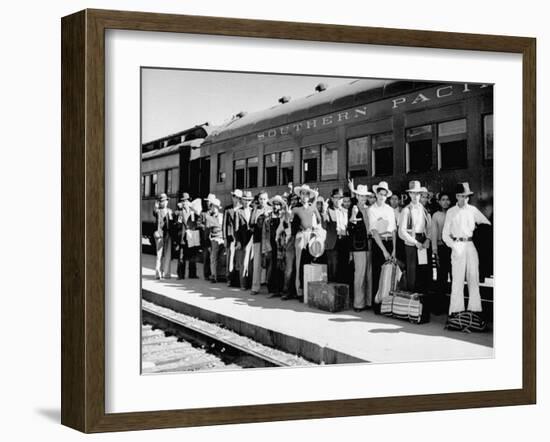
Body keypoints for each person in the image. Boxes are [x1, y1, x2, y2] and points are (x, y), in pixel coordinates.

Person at [442, 182, 491, 316]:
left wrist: (478, 233)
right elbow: (445, 235)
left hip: (470, 246)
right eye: (462, 196)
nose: (465, 199)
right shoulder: (451, 212)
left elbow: (487, 224)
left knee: (473, 278)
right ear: (457, 196)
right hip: (457, 245)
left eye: (467, 196)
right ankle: (456, 312)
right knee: (457, 280)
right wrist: (454, 246)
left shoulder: (473, 210)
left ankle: (475, 311)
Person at [368, 181, 397, 313]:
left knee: (390, 274)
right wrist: (384, 251)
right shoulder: (372, 209)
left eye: (385, 195)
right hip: (379, 244)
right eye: (380, 194)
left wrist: (394, 249)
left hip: (390, 242)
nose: (382, 197)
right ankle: (377, 305)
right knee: (377, 274)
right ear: (376, 194)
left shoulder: (390, 210)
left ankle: (388, 304)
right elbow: (374, 232)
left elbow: (393, 230)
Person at [399, 181, 432, 294]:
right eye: (413, 193)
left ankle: (421, 301)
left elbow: (429, 227)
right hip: (411, 243)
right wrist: (415, 242)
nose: (415, 196)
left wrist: (428, 239)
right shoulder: (406, 210)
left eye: (418, 193)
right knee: (412, 271)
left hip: (422, 241)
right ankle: (411, 300)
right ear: (409, 195)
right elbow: (401, 232)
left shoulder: (424, 209)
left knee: (422, 270)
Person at [291, 184, 322, 300]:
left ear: (309, 196)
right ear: (300, 195)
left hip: (311, 236)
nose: (305, 196)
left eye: (307, 194)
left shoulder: (312, 207)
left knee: (309, 262)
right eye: (303, 193)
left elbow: (319, 220)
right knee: (299, 264)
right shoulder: (295, 209)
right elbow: (291, 223)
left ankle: (308, 290)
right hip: (300, 236)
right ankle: (299, 290)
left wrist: (315, 230)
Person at [348, 184, 373, 311]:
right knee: (360, 274)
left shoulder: (369, 209)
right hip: (358, 245)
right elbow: (349, 229)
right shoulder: (353, 209)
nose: (363, 198)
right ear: (357, 196)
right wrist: (353, 217)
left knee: (369, 274)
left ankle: (368, 301)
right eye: (361, 195)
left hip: (370, 243)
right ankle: (358, 303)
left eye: (365, 196)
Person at [322, 188, 350, 283]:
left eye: (340, 197)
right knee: (333, 270)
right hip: (332, 243)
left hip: (344, 242)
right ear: (332, 198)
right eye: (336, 197)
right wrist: (324, 212)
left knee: (343, 269)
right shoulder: (328, 210)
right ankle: (332, 294)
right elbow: (324, 225)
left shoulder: (345, 211)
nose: (338, 200)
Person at [431, 192, 452, 313]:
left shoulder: (453, 212)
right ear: (439, 202)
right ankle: (440, 306)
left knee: (454, 276)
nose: (445, 202)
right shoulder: (436, 215)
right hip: (441, 248)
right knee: (441, 277)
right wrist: (435, 250)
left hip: (453, 248)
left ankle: (453, 306)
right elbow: (434, 233)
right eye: (443, 199)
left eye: (447, 199)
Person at [262, 195, 285, 297]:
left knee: (280, 267)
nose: (275, 207)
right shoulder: (268, 218)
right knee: (271, 267)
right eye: (274, 205)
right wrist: (265, 248)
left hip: (280, 245)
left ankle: (280, 289)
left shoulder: (283, 217)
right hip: (270, 245)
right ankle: (272, 290)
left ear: (280, 206)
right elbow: (264, 234)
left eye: (278, 205)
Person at [174, 192, 200, 279]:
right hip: (183, 237)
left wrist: (192, 207)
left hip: (191, 236)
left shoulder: (193, 212)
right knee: (181, 256)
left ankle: (192, 274)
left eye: (187, 201)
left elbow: (198, 216)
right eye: (183, 201)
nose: (185, 203)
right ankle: (181, 275)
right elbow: (178, 224)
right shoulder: (179, 212)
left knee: (192, 256)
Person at [250, 191, 271, 295]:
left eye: (264, 199)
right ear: (258, 200)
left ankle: (269, 286)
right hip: (258, 239)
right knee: (257, 263)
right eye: (261, 199)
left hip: (269, 240)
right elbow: (251, 224)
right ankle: (255, 287)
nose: (262, 201)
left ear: (267, 199)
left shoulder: (271, 209)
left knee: (269, 263)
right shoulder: (255, 210)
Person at [234, 190, 254, 290]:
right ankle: (243, 284)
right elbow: (236, 228)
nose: (247, 202)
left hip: (252, 239)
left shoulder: (253, 210)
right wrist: (238, 241)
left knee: (250, 262)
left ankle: (250, 283)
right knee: (243, 262)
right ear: (242, 201)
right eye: (245, 200)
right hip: (242, 239)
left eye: (248, 200)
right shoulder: (238, 212)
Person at [223, 189, 242, 287]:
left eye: (237, 197)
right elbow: (224, 225)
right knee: (230, 259)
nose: (235, 199)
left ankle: (238, 280)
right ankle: (229, 278)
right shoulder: (228, 209)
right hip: (230, 237)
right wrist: (225, 238)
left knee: (238, 259)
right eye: (234, 196)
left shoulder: (242, 209)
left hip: (239, 237)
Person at [152, 193, 174, 280]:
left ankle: (167, 274)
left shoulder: (170, 211)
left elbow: (172, 222)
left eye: (165, 201)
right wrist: (156, 205)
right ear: (160, 202)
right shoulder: (157, 211)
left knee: (168, 254)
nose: (165, 203)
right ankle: (158, 273)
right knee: (159, 254)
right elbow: (154, 212)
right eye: (162, 201)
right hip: (160, 234)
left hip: (168, 234)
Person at [204, 197, 225, 283]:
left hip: (222, 238)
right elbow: (207, 230)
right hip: (214, 238)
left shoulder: (222, 216)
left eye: (216, 207)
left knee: (221, 258)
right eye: (213, 206)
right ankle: (214, 275)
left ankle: (220, 275)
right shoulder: (209, 217)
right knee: (213, 257)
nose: (214, 208)